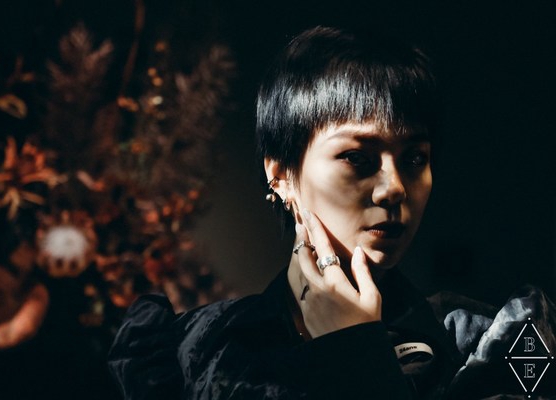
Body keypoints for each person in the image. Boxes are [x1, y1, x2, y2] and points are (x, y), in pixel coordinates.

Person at [108, 26, 556, 399]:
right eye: (358, 158)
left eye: (415, 158)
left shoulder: (493, 342)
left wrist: (358, 355)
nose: (395, 187)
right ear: (281, 176)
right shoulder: (189, 351)